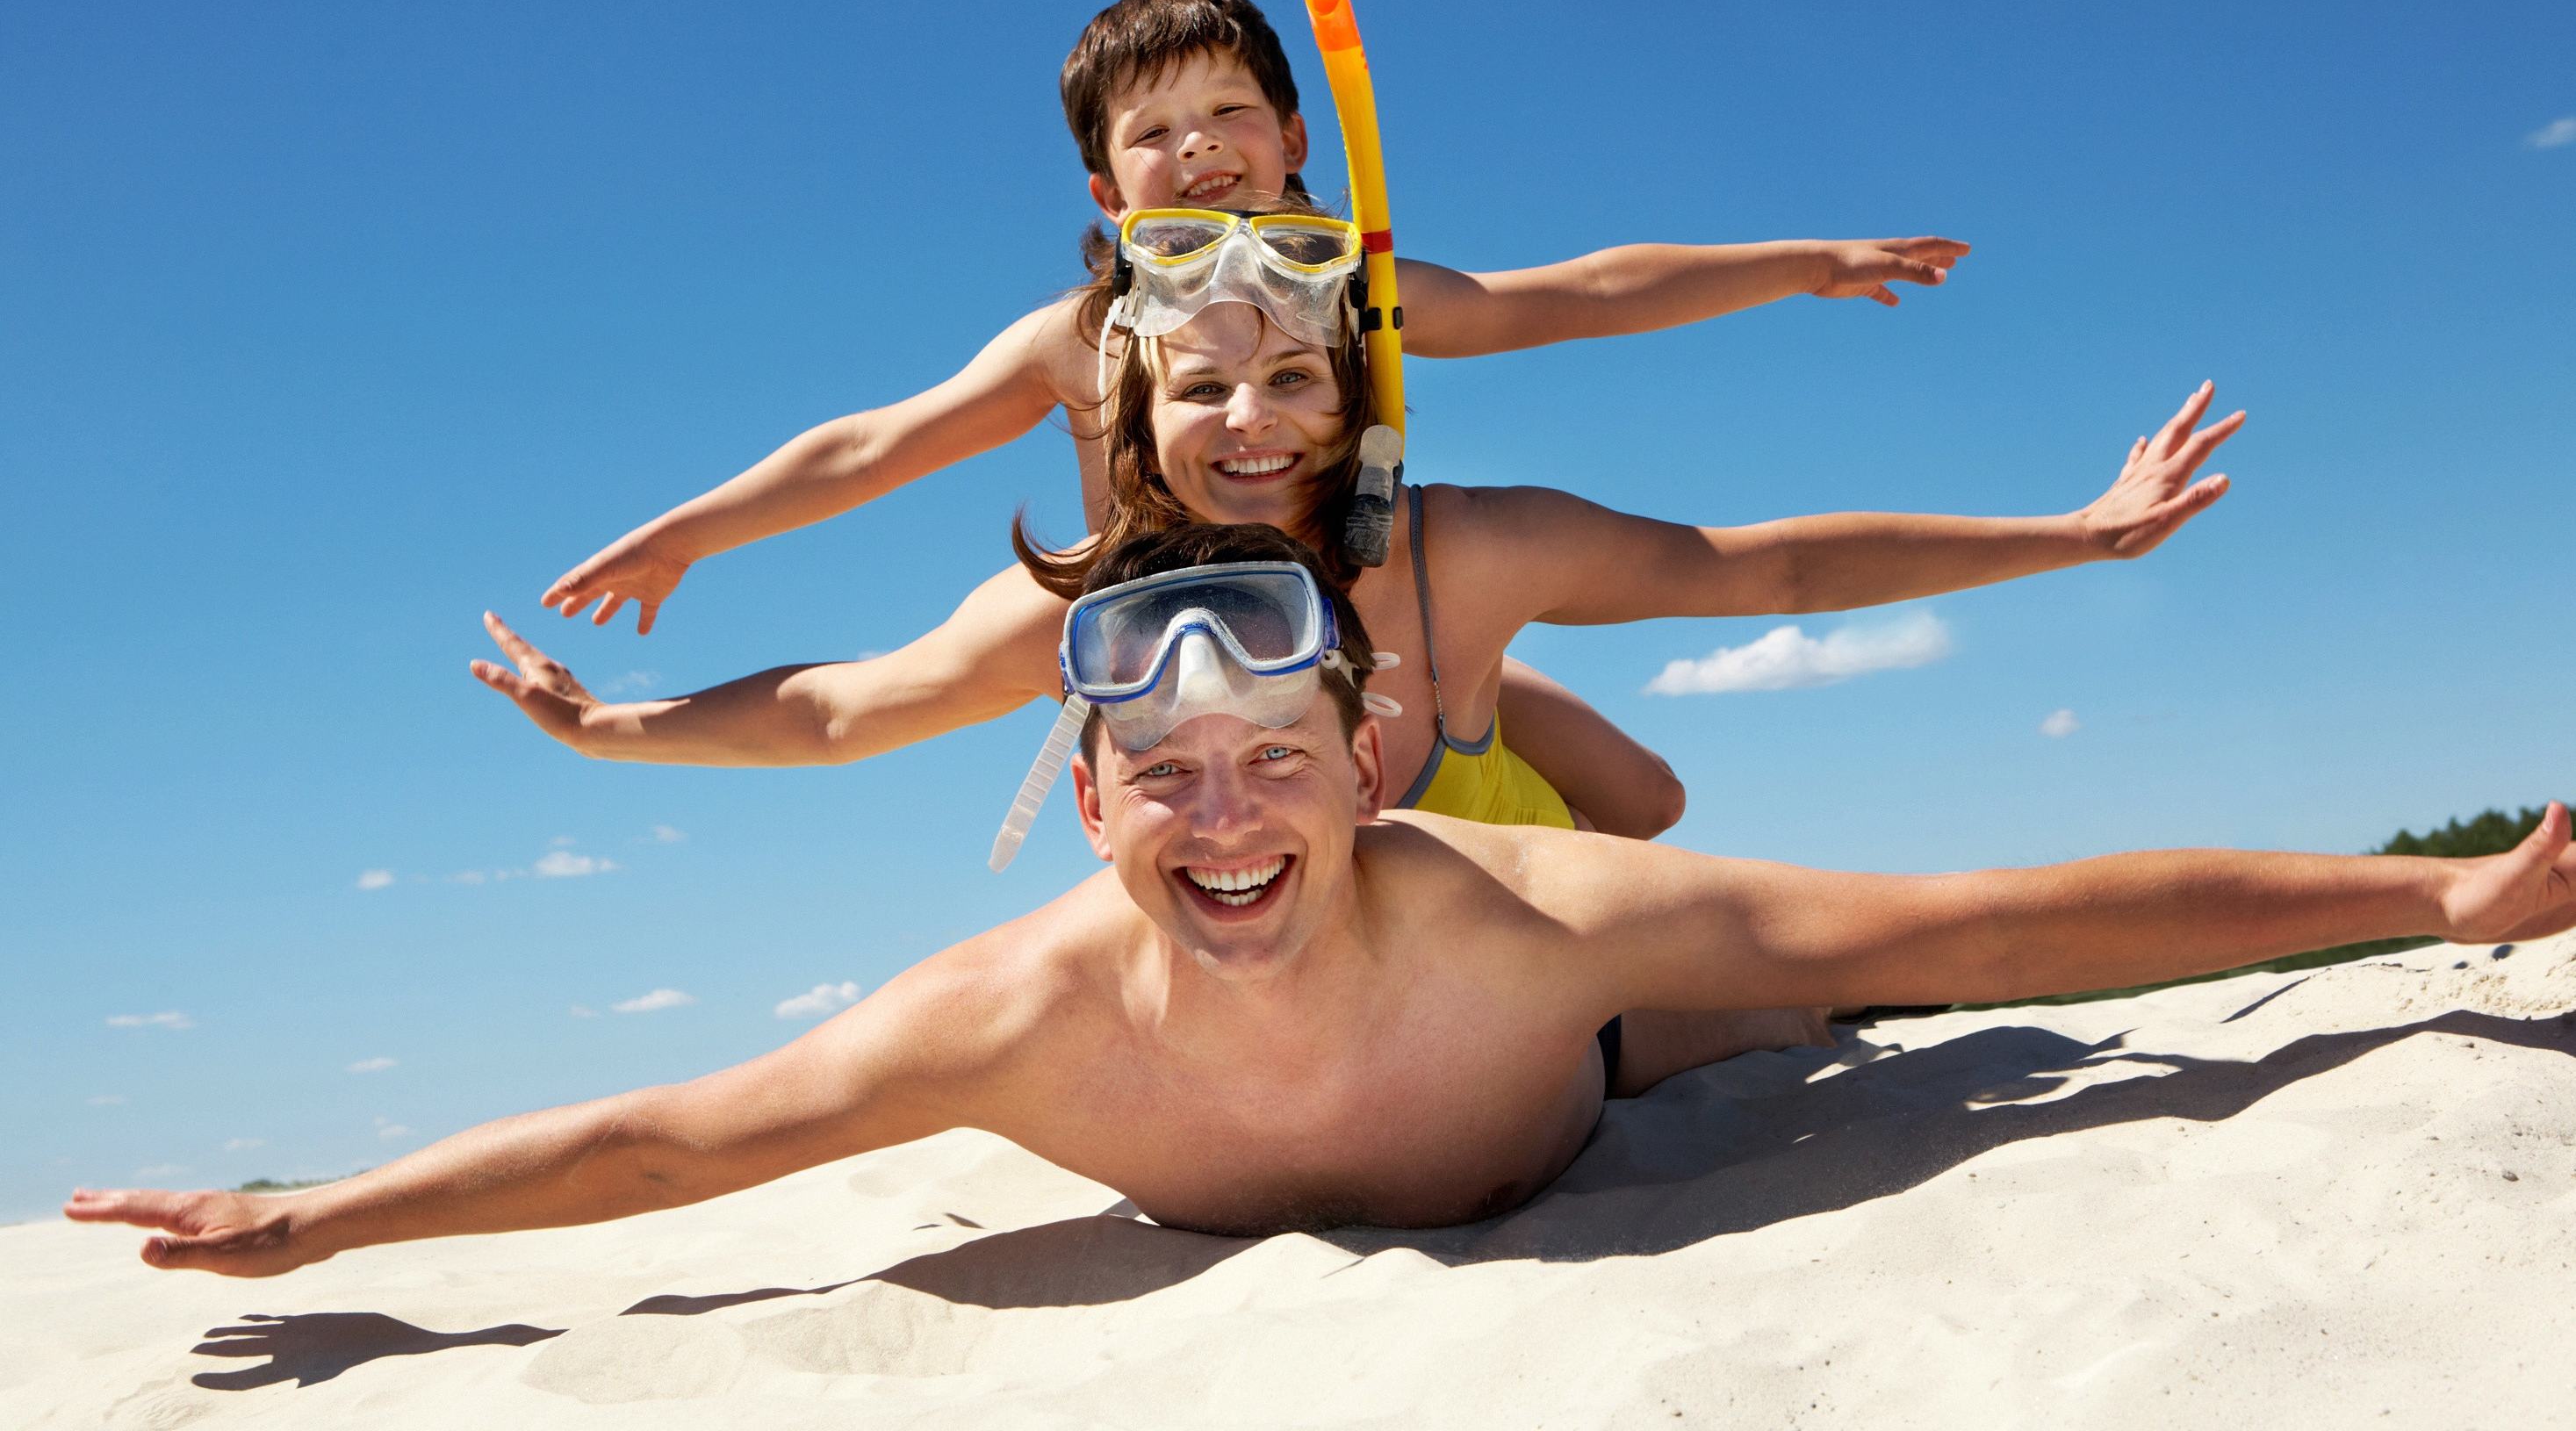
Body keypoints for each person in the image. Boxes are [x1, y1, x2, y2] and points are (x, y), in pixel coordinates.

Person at [70, 527, 2576, 1275]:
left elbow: (1998, 915)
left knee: (1830, 992)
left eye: (1272, 755)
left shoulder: (1523, 917)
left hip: (1573, 1086)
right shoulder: (1005, 1015)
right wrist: (319, 1221)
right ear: (1078, 802)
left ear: (1370, 763)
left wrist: (2432, 908)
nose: (1221, 809)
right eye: (1158, 771)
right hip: (1384, 1102)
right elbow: (676, 1144)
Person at [534, 0, 1969, 838]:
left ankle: (1480, 698)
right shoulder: (1077, 334)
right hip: (1191, 649)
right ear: (1106, 192)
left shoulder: (1362, 286)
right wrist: (689, 537)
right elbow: (868, 452)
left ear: (1294, 138)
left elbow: (1579, 292)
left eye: (1226, 112)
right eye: (1149, 134)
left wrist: (1803, 263)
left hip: (1376, 615)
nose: (1196, 149)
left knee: (1648, 801)